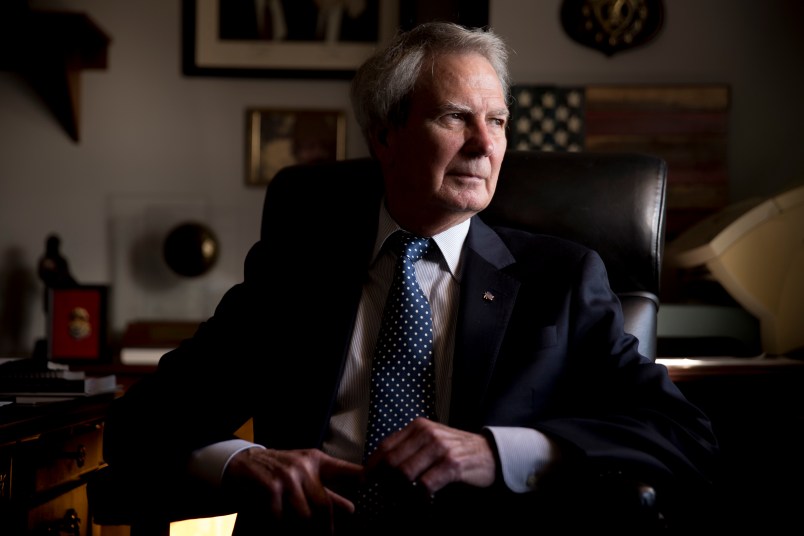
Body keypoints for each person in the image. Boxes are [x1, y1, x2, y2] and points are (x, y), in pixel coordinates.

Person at [103, 22, 718, 535]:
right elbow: (140, 424)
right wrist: (242, 463)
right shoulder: (297, 271)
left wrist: (498, 452)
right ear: (386, 136)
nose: (485, 145)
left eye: (498, 121)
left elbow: (680, 433)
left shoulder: (559, 279)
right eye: (456, 117)